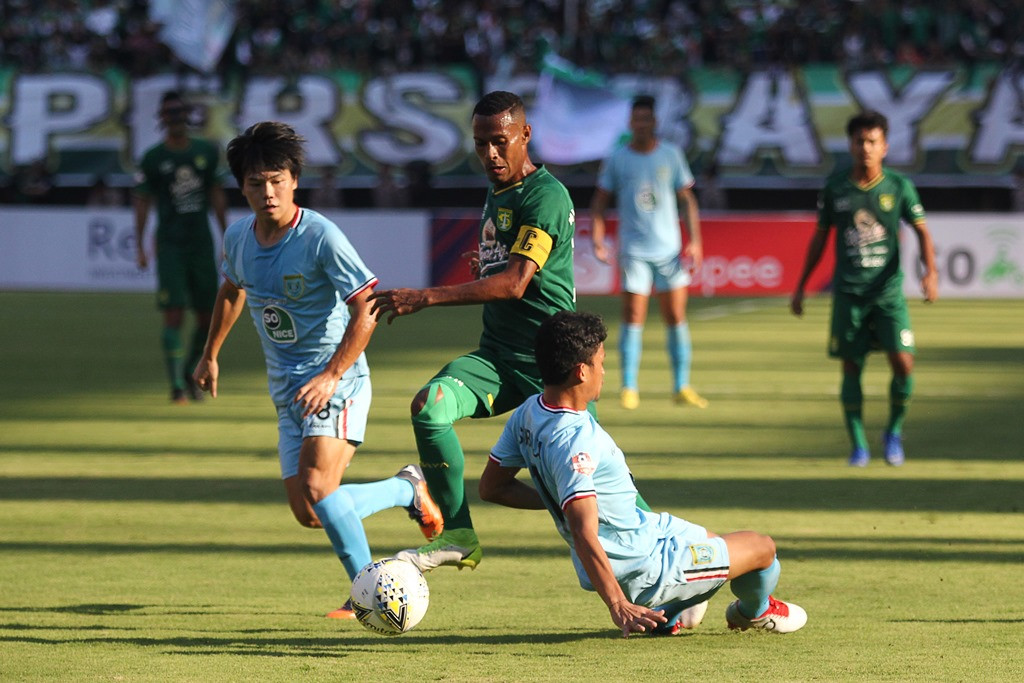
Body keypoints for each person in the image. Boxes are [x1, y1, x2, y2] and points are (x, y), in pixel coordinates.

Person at [191, 121, 443, 619]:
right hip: (287, 389)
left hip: (337, 379)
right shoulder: (239, 237)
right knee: (310, 513)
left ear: (294, 180)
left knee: (319, 491)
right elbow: (231, 290)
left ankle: (367, 593)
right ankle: (406, 488)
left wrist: (331, 374)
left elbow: (366, 305)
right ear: (241, 186)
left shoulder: (320, 235)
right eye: (257, 182)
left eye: (277, 180)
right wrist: (210, 353)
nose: (268, 192)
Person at [479, 311, 807, 637]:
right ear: (581, 372)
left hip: (645, 530)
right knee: (761, 548)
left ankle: (668, 612)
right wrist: (617, 604)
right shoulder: (575, 443)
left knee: (713, 540)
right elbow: (583, 531)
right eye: (601, 363)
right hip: (645, 566)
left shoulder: (528, 412)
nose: (604, 372)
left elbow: (492, 487)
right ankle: (753, 612)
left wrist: (561, 503)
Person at [368, 90, 581, 572]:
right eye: (480, 143)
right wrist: (487, 263)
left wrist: (425, 297)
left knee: (599, 502)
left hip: (552, 370)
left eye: (500, 142)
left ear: (525, 135)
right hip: (500, 358)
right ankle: (459, 535)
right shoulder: (500, 190)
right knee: (429, 407)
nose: (489, 154)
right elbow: (506, 265)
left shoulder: (545, 196)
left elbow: (514, 284)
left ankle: (687, 570)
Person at [791, 110, 938, 467]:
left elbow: (922, 231)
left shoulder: (899, 187)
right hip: (849, 295)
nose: (866, 148)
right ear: (851, 145)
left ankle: (893, 432)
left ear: (885, 146)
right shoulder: (836, 187)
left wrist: (930, 271)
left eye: (873, 141)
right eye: (860, 141)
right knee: (851, 367)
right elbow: (820, 239)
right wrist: (801, 286)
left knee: (903, 363)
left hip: (887, 294)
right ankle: (858, 444)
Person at [590, 94, 708, 412]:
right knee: (633, 316)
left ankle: (681, 386)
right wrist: (599, 238)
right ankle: (629, 386)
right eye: (636, 119)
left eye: (646, 119)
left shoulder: (671, 154)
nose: (641, 125)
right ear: (631, 123)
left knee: (676, 316)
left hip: (669, 252)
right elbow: (600, 201)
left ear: (654, 122)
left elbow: (688, 200)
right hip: (635, 251)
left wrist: (694, 241)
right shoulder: (618, 158)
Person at [134, 90, 229, 404]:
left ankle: (190, 372)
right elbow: (143, 202)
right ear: (162, 119)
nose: (175, 119)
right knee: (173, 315)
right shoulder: (153, 158)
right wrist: (140, 244)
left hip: (200, 242)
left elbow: (216, 195)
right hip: (171, 245)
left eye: (179, 112)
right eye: (169, 113)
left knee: (206, 318)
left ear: (187, 116)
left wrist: (225, 237)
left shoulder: (205, 152)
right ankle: (176, 384)